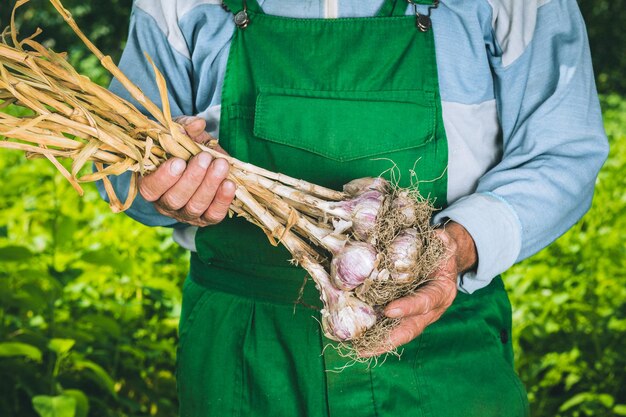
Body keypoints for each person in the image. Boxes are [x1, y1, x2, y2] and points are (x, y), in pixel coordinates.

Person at [100, 0, 608, 415]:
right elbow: (124, 171)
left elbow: (563, 151)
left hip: (438, 331)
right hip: (241, 349)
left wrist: (454, 247)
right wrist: (161, 189)